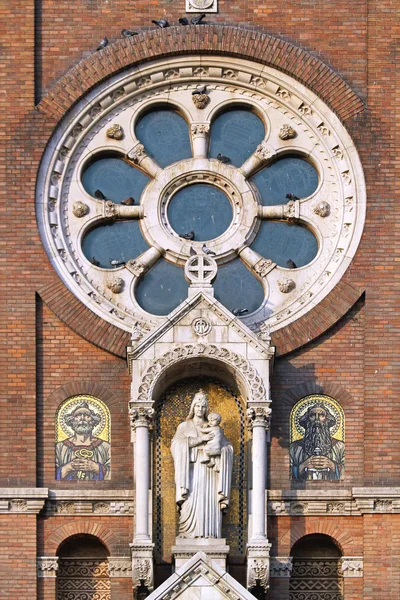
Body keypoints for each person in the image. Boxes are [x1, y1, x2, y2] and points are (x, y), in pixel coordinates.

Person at [171, 391, 233, 538]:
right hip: (190, 470)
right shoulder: (184, 427)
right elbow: (176, 444)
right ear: (193, 407)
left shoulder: (213, 426)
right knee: (190, 502)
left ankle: (210, 533)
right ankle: (188, 533)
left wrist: (222, 452)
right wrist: (201, 439)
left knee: (209, 503)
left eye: (203, 406)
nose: (200, 409)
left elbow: (227, 447)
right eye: (198, 406)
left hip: (209, 471)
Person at [55, 402, 111, 480]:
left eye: (87, 415)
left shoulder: (106, 447)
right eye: (77, 416)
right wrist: (68, 467)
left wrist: (97, 468)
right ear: (71, 421)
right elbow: (49, 475)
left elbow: (116, 475)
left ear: (93, 420)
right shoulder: (60, 447)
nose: (82, 418)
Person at [290, 402, 344, 480]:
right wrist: (302, 466)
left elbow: (350, 472)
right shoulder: (294, 447)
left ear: (327, 420)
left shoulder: (340, 446)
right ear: (307, 420)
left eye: (321, 415)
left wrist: (333, 466)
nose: (317, 419)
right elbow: (283, 473)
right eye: (312, 415)